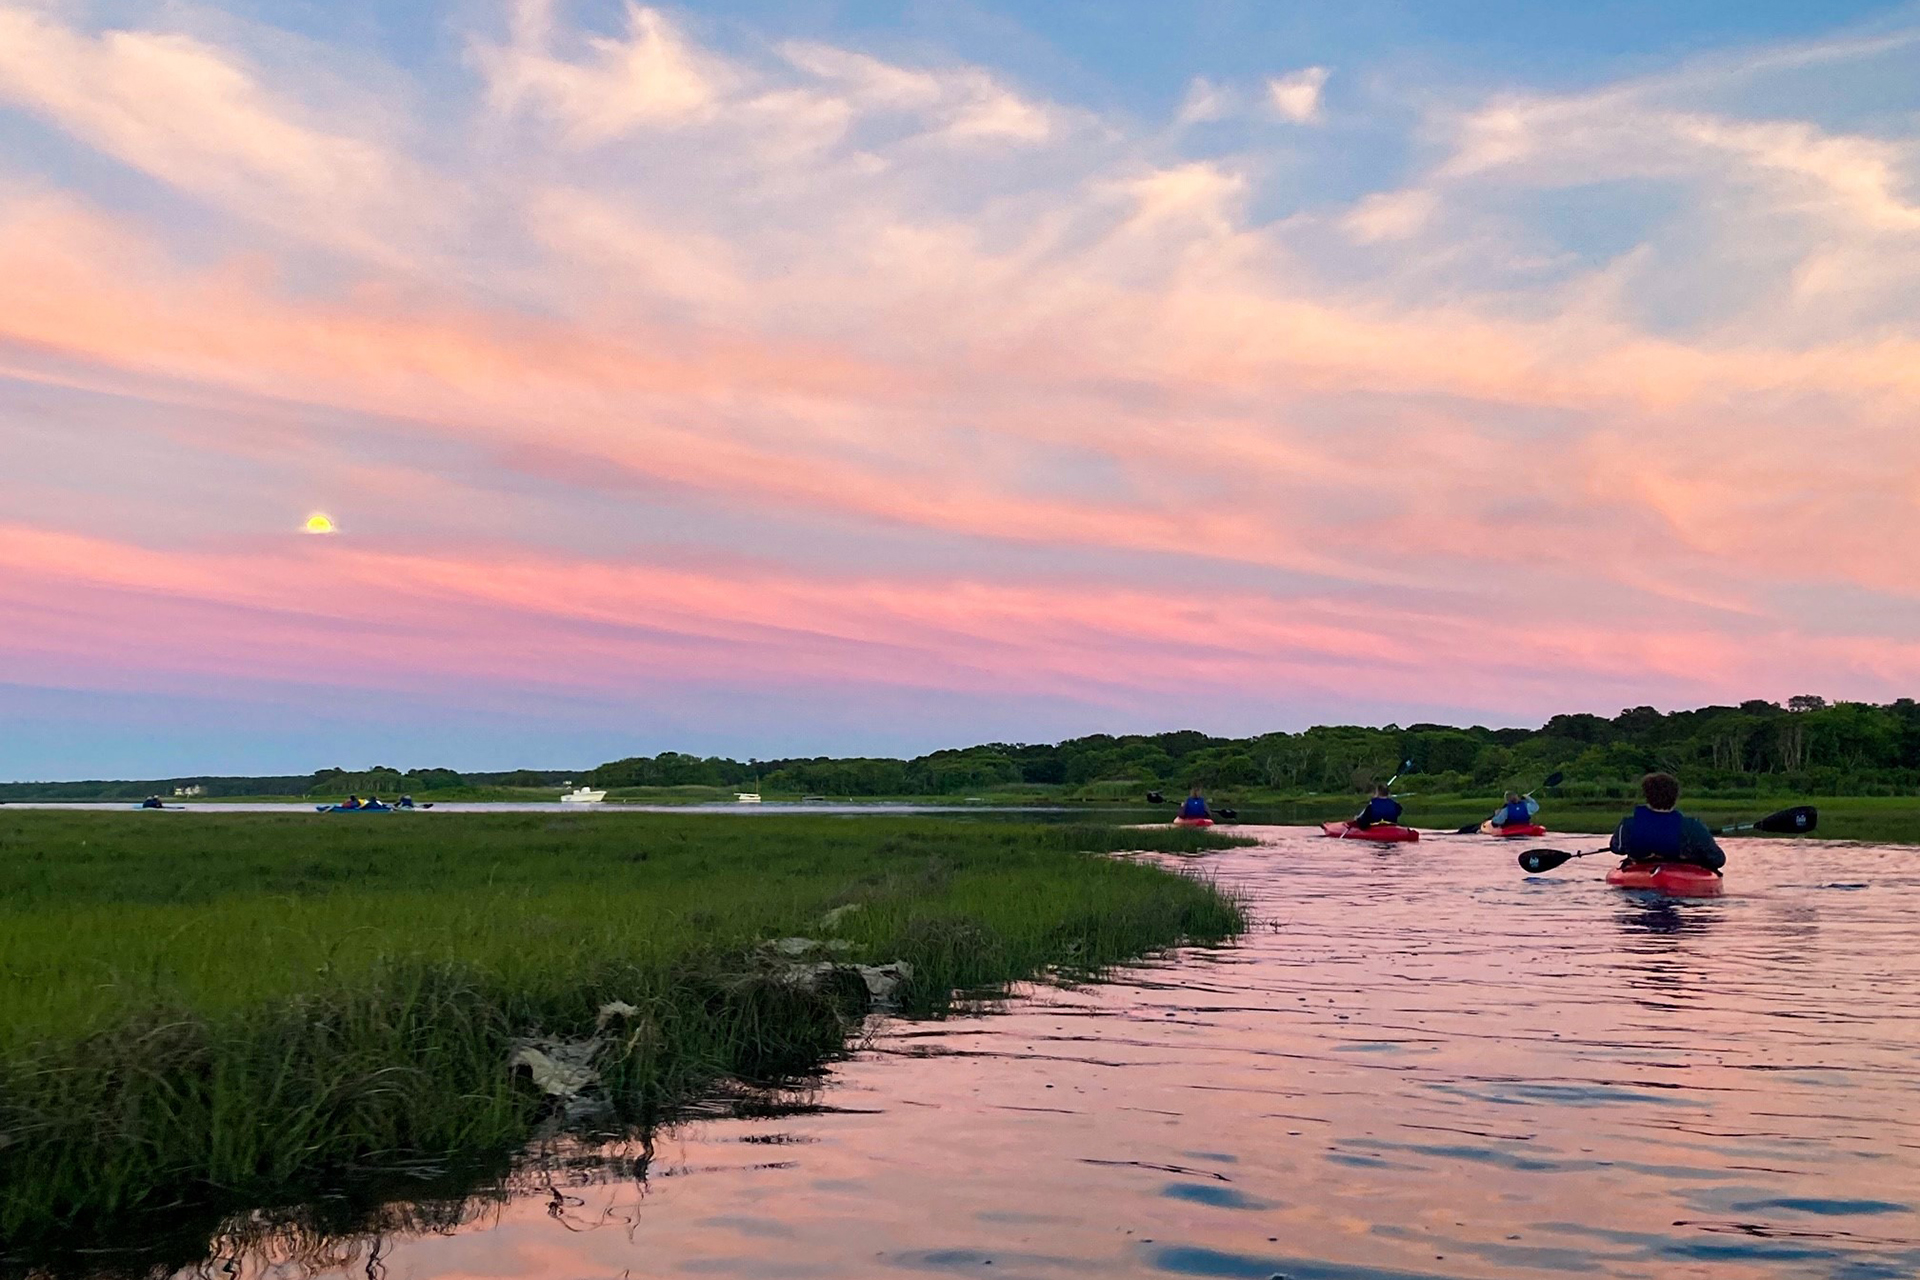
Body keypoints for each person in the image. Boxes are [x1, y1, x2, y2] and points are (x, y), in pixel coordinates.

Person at [1611, 772, 1724, 870]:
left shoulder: (1628, 824)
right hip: (1681, 873)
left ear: (1646, 795)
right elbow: (1718, 859)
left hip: (1640, 870)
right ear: (1675, 796)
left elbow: (1617, 848)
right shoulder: (1693, 826)